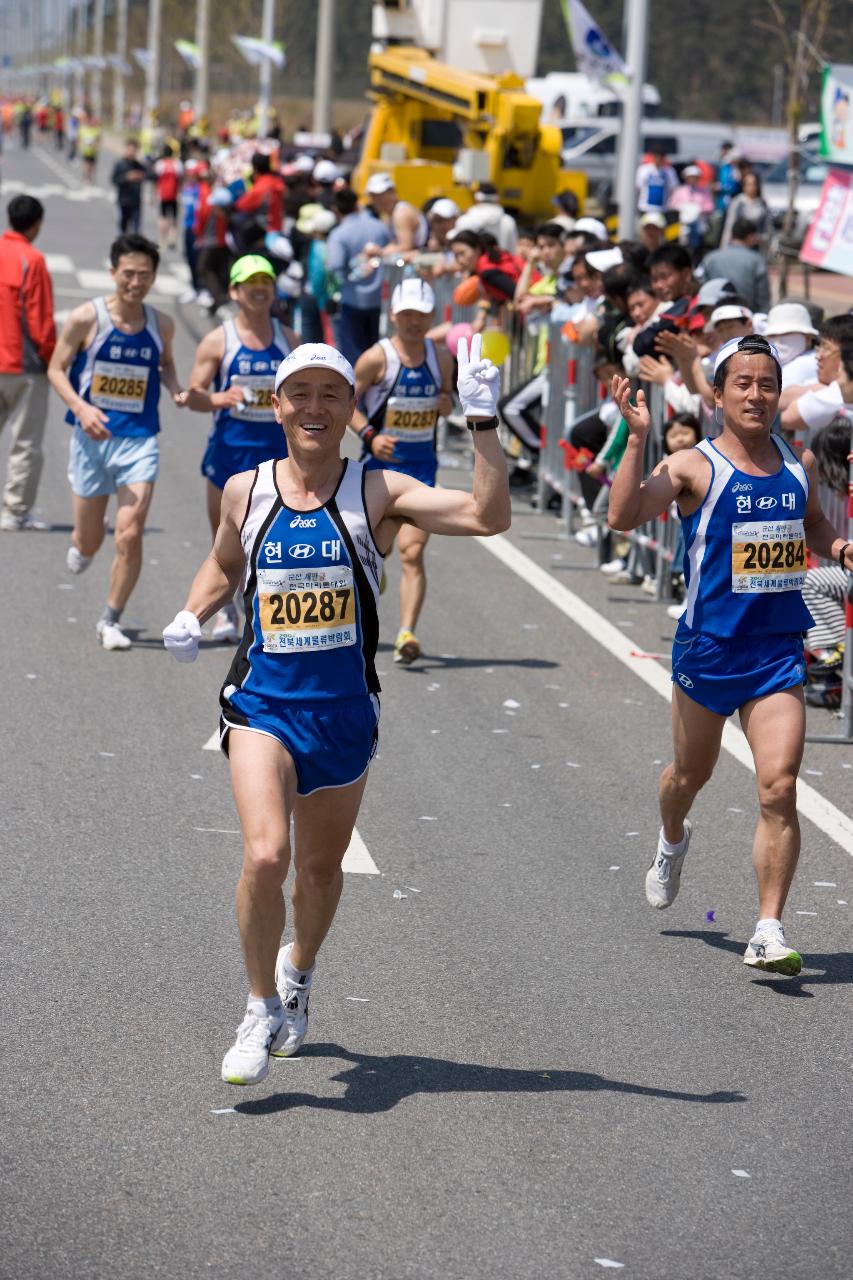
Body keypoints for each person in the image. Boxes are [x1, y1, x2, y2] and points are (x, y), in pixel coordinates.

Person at [161, 337, 509, 1086]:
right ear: (276, 404)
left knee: (318, 873)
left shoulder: (376, 492)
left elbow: (487, 515)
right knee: (265, 854)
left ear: (352, 409)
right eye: (300, 394)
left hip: (344, 715)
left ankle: (298, 969)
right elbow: (225, 564)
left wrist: (482, 422)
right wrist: (193, 612)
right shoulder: (244, 490)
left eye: (331, 395)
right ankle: (257, 1008)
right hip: (259, 705)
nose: (314, 408)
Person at [609, 333, 853, 976]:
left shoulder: (794, 458)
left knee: (779, 785)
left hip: (775, 653)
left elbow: (812, 525)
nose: (756, 394)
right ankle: (671, 839)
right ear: (717, 395)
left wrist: (841, 549)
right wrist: (638, 442)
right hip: (708, 651)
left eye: (767, 383)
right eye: (741, 383)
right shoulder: (694, 465)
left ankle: (768, 928)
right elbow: (623, 515)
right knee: (689, 778)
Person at [48, 234, 185, 651]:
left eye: (145, 275)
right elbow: (55, 368)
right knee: (89, 539)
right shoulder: (87, 318)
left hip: (139, 439)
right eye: (128, 274)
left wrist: (176, 388)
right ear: (113, 273)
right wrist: (82, 408)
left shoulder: (162, 324)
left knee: (129, 531)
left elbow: (165, 364)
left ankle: (111, 619)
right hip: (91, 439)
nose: (136, 282)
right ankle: (84, 546)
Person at [185, 254, 299, 642]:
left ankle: (264, 612)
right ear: (234, 291)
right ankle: (227, 613)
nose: (260, 287)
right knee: (225, 540)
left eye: (266, 280)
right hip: (228, 455)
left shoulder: (289, 338)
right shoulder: (220, 339)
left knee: (272, 539)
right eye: (251, 281)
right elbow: (193, 394)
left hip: (276, 457)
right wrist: (217, 399)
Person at [350, 277, 454, 664]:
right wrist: (371, 435)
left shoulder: (440, 357)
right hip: (378, 473)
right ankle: (369, 594)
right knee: (375, 553)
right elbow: (348, 404)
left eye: (421, 315)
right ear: (394, 315)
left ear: (431, 318)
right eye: (407, 314)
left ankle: (407, 633)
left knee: (413, 553)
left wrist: (445, 403)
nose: (413, 322)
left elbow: (446, 401)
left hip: (422, 472)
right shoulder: (376, 358)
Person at [0, 195, 56, 531]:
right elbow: (40, 322)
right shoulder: (31, 260)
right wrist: (54, 360)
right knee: (25, 442)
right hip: (24, 365)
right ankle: (15, 510)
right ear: (36, 224)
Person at [325, 186, 391, 367]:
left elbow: (335, 265)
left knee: (353, 360)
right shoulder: (380, 227)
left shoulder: (339, 234)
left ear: (336, 209)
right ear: (357, 204)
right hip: (380, 300)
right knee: (380, 355)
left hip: (352, 300)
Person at [700, 218, 770, 314]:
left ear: (732, 235)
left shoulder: (710, 258)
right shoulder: (757, 261)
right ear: (751, 237)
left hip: (715, 316)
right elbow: (763, 300)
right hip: (744, 319)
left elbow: (701, 287)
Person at [453, 181, 518, 253]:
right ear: (497, 199)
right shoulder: (508, 221)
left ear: (476, 199)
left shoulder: (464, 220)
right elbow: (513, 249)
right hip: (501, 263)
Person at [721, 171, 771, 250]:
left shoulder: (762, 204)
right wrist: (724, 247)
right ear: (744, 186)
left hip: (755, 246)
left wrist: (760, 238)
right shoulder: (738, 202)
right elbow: (729, 225)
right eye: (749, 184)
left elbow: (767, 229)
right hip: (738, 245)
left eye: (754, 184)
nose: (752, 187)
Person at [111, 139, 147, 235]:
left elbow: (151, 175)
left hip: (136, 201)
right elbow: (114, 180)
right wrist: (126, 177)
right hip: (123, 200)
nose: (131, 152)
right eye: (130, 150)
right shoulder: (120, 164)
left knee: (136, 229)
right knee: (123, 228)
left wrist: (140, 175)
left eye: (134, 150)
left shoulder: (139, 165)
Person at [154, 144, 183, 250]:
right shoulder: (177, 164)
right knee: (174, 217)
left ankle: (162, 240)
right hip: (174, 194)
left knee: (163, 217)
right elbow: (180, 179)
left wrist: (154, 193)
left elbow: (156, 179)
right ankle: (172, 238)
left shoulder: (160, 164)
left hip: (163, 194)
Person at [635, 147, 678, 215]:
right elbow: (638, 187)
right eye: (656, 156)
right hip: (645, 208)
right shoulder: (643, 169)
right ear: (653, 157)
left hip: (662, 209)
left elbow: (673, 188)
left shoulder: (669, 171)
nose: (658, 159)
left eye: (661, 157)